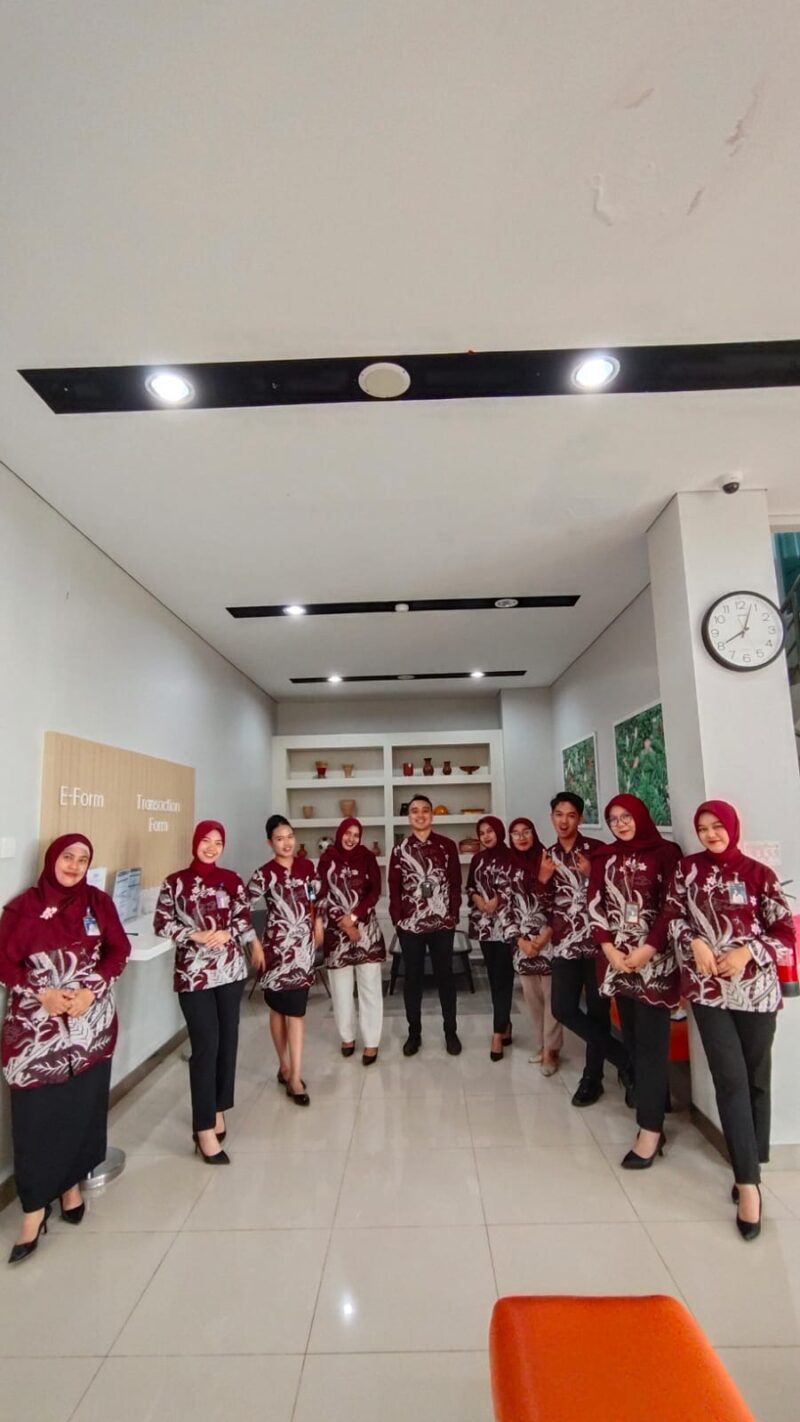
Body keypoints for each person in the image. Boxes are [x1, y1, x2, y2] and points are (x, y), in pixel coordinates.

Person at [665, 800, 796, 1241]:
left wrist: (747, 952)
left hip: (756, 992)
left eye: (717, 826)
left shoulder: (759, 875)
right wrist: (695, 942)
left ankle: (752, 1164)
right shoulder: (688, 871)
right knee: (730, 1079)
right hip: (708, 991)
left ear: (733, 827)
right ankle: (748, 1187)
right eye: (703, 827)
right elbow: (672, 917)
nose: (710, 834)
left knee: (757, 1078)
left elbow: (785, 934)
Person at [0, 834, 130, 1264]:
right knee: (35, 1119)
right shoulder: (24, 908)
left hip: (89, 1031)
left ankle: (71, 1186)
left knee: (82, 1110)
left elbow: (118, 950)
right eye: (68, 857)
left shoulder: (98, 903)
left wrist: (92, 990)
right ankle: (34, 1211)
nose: (74, 865)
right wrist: (43, 993)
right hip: (37, 1036)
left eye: (82, 859)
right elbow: (4, 961)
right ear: (52, 859)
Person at [588, 795, 682, 1169]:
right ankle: (651, 1110)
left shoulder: (666, 853)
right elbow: (594, 903)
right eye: (613, 819)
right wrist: (608, 949)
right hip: (618, 963)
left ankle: (650, 1131)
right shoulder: (604, 856)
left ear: (641, 816)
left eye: (627, 816)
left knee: (652, 1045)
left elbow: (673, 905)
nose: (621, 824)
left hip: (654, 963)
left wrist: (649, 948)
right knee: (632, 1040)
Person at [154, 819, 254, 1164]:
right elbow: (162, 922)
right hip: (193, 976)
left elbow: (244, 917)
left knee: (227, 1042)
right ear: (195, 842)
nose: (211, 847)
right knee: (205, 1046)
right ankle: (203, 1129)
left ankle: (218, 1107)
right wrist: (193, 935)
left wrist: (228, 932)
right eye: (206, 841)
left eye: (218, 842)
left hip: (229, 971)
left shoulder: (231, 880)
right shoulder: (175, 883)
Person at [539, 792, 631, 1106]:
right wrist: (543, 879)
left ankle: (592, 1078)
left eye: (570, 815)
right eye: (558, 814)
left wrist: (593, 874)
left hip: (597, 944)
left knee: (598, 1011)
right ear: (552, 817)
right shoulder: (548, 855)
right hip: (564, 944)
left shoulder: (598, 850)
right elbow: (542, 906)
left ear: (579, 818)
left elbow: (618, 894)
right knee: (562, 1008)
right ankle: (624, 1059)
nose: (564, 821)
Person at [248, 816, 322, 1105]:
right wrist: (253, 942)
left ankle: (296, 1077)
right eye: (279, 838)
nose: (286, 843)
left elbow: (315, 898)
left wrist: (318, 924)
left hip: (302, 952)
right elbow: (241, 907)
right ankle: (284, 1065)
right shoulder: (264, 874)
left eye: (290, 836)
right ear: (270, 843)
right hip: (276, 952)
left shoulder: (307, 868)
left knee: (297, 1012)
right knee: (278, 1009)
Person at [388, 794, 462, 1056]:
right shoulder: (400, 849)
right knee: (413, 980)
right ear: (409, 816)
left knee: (446, 978)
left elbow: (455, 883)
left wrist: (453, 914)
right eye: (415, 811)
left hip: (442, 923)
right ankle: (414, 1033)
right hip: (410, 926)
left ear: (432, 815)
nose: (420, 815)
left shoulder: (447, 846)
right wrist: (398, 919)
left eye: (425, 810)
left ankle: (450, 1032)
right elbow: (394, 887)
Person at [318, 817, 386, 1065]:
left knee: (370, 987)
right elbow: (320, 894)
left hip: (366, 931)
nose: (351, 839)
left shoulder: (367, 857)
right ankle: (347, 1037)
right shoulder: (327, 859)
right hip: (337, 934)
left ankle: (371, 1041)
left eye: (356, 835)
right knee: (341, 989)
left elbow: (374, 891)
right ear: (340, 834)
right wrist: (344, 923)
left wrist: (354, 917)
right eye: (347, 833)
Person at [502, 817, 562, 1075]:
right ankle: (542, 1045)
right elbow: (505, 909)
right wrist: (519, 941)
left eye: (526, 831)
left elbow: (561, 902)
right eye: (515, 833)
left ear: (534, 833)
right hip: (523, 945)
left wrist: (547, 935)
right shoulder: (508, 867)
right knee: (533, 1000)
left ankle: (551, 1050)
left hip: (549, 941)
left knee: (552, 998)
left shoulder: (549, 861)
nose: (521, 837)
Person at [466, 816, 514, 1061]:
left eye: (490, 831)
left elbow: (517, 885)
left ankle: (497, 1033)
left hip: (506, 925)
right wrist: (478, 900)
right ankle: (505, 1023)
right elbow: (470, 886)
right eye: (482, 832)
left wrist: (498, 900)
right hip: (484, 924)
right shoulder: (478, 859)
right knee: (494, 977)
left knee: (503, 977)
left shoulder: (511, 856)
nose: (486, 836)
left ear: (499, 832)